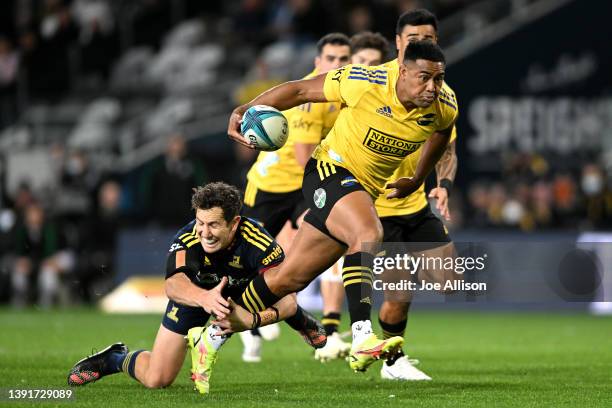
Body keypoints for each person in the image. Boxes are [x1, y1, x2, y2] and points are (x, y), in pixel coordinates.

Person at [224, 40, 458, 373]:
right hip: (328, 170)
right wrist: (243, 109)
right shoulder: (365, 81)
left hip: (362, 191)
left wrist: (419, 177)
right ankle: (362, 337)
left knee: (288, 278)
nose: (432, 87)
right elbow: (299, 91)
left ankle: (211, 332)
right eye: (424, 78)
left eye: (438, 79)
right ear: (402, 71)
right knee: (367, 232)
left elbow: (442, 132)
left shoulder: (442, 105)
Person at [67, 182, 326, 395]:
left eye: (213, 224)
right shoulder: (188, 237)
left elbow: (289, 300)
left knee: (279, 295)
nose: (205, 232)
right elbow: (173, 285)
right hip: (197, 294)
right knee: (158, 378)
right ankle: (114, 358)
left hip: (243, 297)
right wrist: (205, 298)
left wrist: (253, 320)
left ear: (234, 223)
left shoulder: (258, 242)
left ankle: (300, 322)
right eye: (200, 222)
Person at [240, 32, 351, 362]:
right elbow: (305, 158)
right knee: (249, 260)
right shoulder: (308, 97)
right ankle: (250, 324)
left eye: (344, 59)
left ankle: (328, 326)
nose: (338, 65)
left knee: (326, 237)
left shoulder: (347, 92)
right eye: (331, 59)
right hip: (273, 187)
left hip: (306, 186)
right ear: (318, 63)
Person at [373, 8, 462, 381]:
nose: (421, 43)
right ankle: (392, 362)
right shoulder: (373, 82)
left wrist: (443, 187)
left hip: (415, 205)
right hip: (375, 207)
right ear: (397, 43)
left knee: (453, 281)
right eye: (413, 39)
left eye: (428, 38)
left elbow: (447, 149)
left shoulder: (441, 94)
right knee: (398, 296)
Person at [315, 31, 390, 363]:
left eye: (375, 64)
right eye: (361, 63)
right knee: (358, 239)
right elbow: (305, 151)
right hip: (320, 183)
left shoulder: (385, 102)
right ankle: (348, 331)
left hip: (372, 191)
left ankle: (216, 333)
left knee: (290, 275)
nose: (367, 69)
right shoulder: (327, 98)